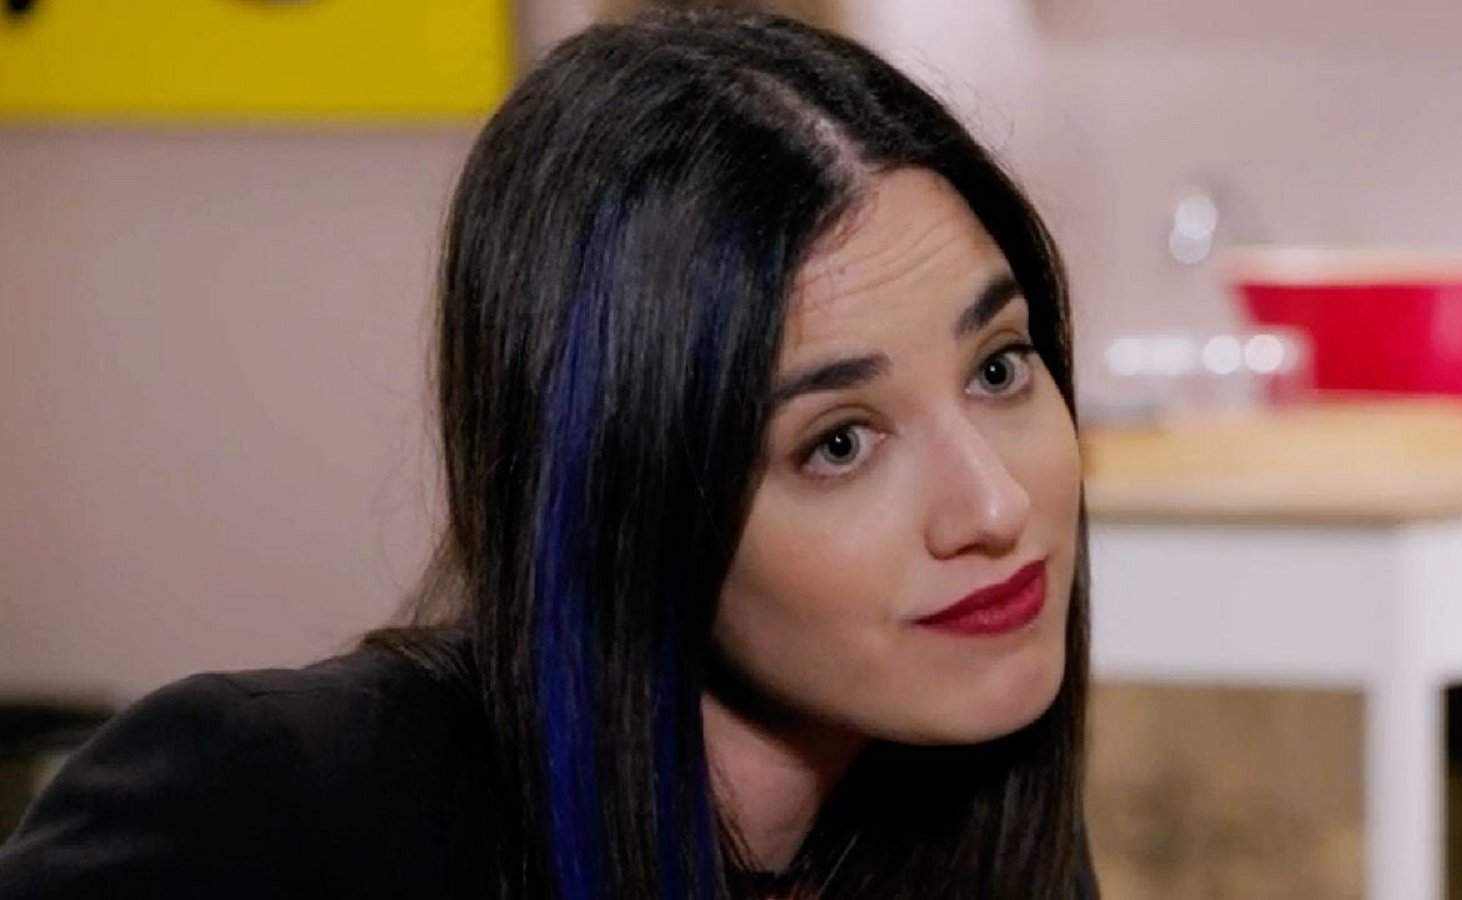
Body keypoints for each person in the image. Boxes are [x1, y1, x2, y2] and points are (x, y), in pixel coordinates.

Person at [0, 9, 1096, 899]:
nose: (994, 504)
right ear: (629, 497)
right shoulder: (275, 808)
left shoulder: (973, 827)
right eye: (838, 443)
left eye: (998, 368)